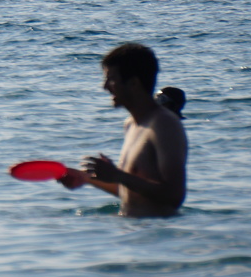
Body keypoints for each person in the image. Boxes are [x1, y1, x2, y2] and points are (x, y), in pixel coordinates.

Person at [57, 42, 187, 217]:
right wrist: (86, 179)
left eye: (111, 79)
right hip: (131, 234)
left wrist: (118, 175)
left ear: (133, 83)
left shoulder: (165, 124)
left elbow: (174, 196)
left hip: (156, 235)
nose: (105, 87)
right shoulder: (131, 124)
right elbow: (131, 192)